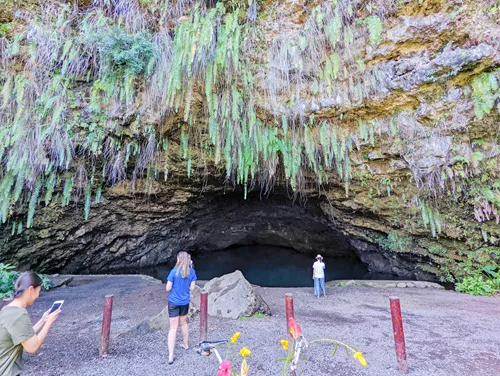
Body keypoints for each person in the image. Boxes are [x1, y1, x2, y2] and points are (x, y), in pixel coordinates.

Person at [0, 272, 61, 376]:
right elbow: (32, 347)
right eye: (38, 291)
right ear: (31, 290)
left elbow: (24, 335)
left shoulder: (8, 309)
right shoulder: (18, 315)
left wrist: (43, 320)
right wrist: (49, 322)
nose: (37, 296)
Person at [166, 251, 197, 365]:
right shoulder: (192, 272)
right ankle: (186, 344)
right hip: (185, 302)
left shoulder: (173, 272)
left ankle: (170, 356)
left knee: (173, 328)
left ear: (178, 259)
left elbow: (168, 288)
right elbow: (192, 288)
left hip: (174, 301)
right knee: (183, 323)